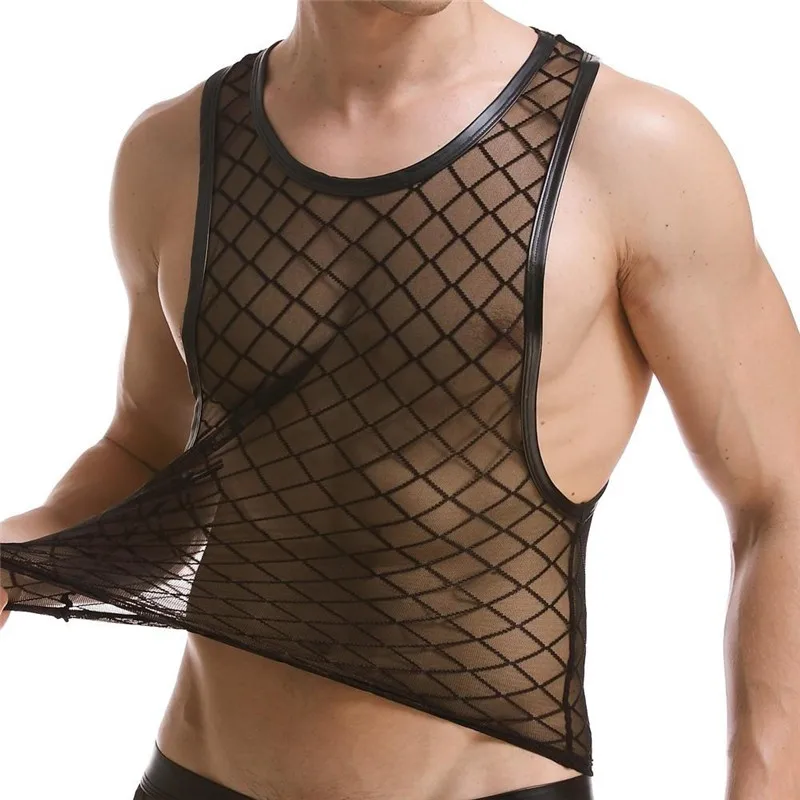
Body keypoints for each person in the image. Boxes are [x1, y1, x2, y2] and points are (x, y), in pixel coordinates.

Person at [1, 1, 799, 798]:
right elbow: (147, 455)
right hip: (196, 778)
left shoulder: (630, 148)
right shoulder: (173, 150)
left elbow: (780, 496)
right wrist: (12, 559)